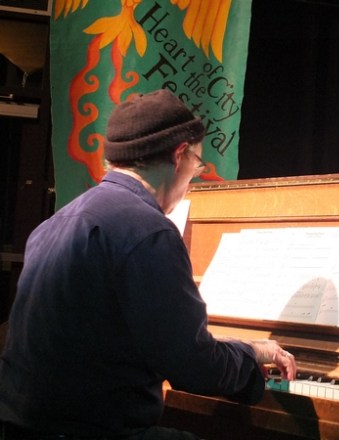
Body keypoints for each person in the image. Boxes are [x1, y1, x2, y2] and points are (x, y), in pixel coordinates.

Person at [0, 89, 297, 439]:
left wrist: (225, 346)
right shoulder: (149, 231)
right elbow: (194, 367)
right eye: (198, 165)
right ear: (179, 155)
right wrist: (250, 357)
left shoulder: (54, 223)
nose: (193, 180)